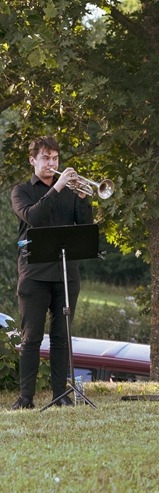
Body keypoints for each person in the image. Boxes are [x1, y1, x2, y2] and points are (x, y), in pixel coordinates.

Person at [10, 135, 93, 410]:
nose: (52, 163)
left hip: (66, 274)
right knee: (31, 337)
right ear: (33, 160)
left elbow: (84, 227)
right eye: (46, 158)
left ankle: (61, 395)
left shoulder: (69, 192)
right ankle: (26, 398)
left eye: (55, 158)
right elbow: (33, 217)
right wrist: (58, 186)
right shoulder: (21, 191)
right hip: (34, 273)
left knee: (61, 337)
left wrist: (82, 198)